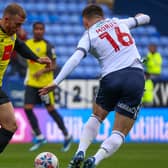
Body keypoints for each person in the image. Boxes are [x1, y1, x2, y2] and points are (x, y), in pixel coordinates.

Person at [39, 4, 150, 168]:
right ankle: (95, 159)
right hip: (135, 76)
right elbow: (146, 18)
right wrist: (139, 17)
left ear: (85, 21)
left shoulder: (89, 34)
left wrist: (56, 82)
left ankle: (80, 152)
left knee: (97, 116)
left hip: (111, 77)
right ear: (101, 16)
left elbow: (75, 59)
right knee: (120, 132)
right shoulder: (119, 22)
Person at [0, 3, 51, 154]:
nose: (19, 29)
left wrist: (37, 59)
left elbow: (19, 46)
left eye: (21, 25)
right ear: (6, 19)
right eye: (17, 24)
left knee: (10, 125)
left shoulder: (11, 34)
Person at [24, 22, 72, 152]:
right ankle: (39, 136)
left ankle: (67, 135)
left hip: (45, 86)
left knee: (50, 110)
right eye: (37, 29)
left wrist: (42, 71)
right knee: (27, 108)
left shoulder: (48, 46)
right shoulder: (28, 44)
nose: (39, 31)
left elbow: (54, 65)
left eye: (41, 29)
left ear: (44, 31)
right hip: (31, 84)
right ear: (33, 30)